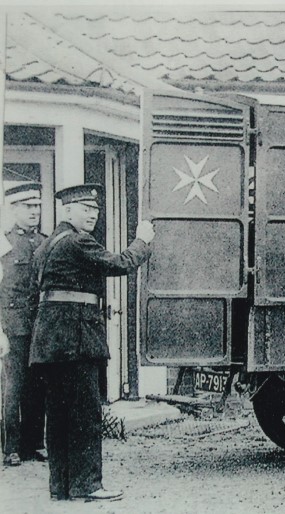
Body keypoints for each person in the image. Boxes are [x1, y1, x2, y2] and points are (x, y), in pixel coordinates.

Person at [29, 184, 155, 501]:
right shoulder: (77, 241)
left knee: (57, 416)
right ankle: (87, 484)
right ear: (67, 211)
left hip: (50, 342)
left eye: (95, 210)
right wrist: (143, 240)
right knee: (85, 414)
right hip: (77, 340)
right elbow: (122, 263)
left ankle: (60, 486)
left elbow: (36, 296)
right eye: (85, 209)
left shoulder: (45, 246)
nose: (92, 214)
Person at [1, 182, 47, 467]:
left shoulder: (44, 241)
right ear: (13, 208)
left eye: (37, 207)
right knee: (12, 388)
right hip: (12, 326)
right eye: (28, 207)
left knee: (37, 386)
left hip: (39, 326)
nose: (34, 212)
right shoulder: (4, 243)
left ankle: (34, 444)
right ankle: (11, 448)